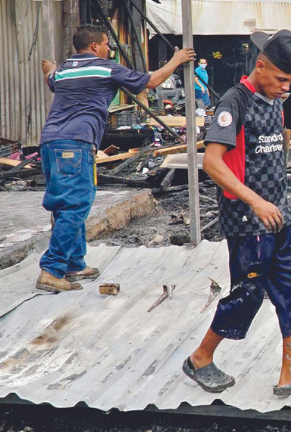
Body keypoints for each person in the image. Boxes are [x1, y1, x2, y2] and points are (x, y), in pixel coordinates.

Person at [184, 29, 291, 396]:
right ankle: (200, 359)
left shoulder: (275, 99)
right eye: (282, 79)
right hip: (247, 221)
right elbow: (211, 162)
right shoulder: (232, 103)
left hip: (281, 215)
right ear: (260, 66)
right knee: (247, 295)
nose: (287, 87)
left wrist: (276, 197)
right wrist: (255, 200)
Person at [36, 25, 195, 292]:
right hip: (76, 142)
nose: (110, 49)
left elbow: (51, 78)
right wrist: (176, 60)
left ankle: (74, 263)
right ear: (95, 46)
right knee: (75, 205)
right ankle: (51, 270)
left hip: (50, 142)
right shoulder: (104, 67)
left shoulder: (63, 70)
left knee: (64, 204)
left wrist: (50, 68)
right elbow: (151, 81)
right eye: (107, 44)